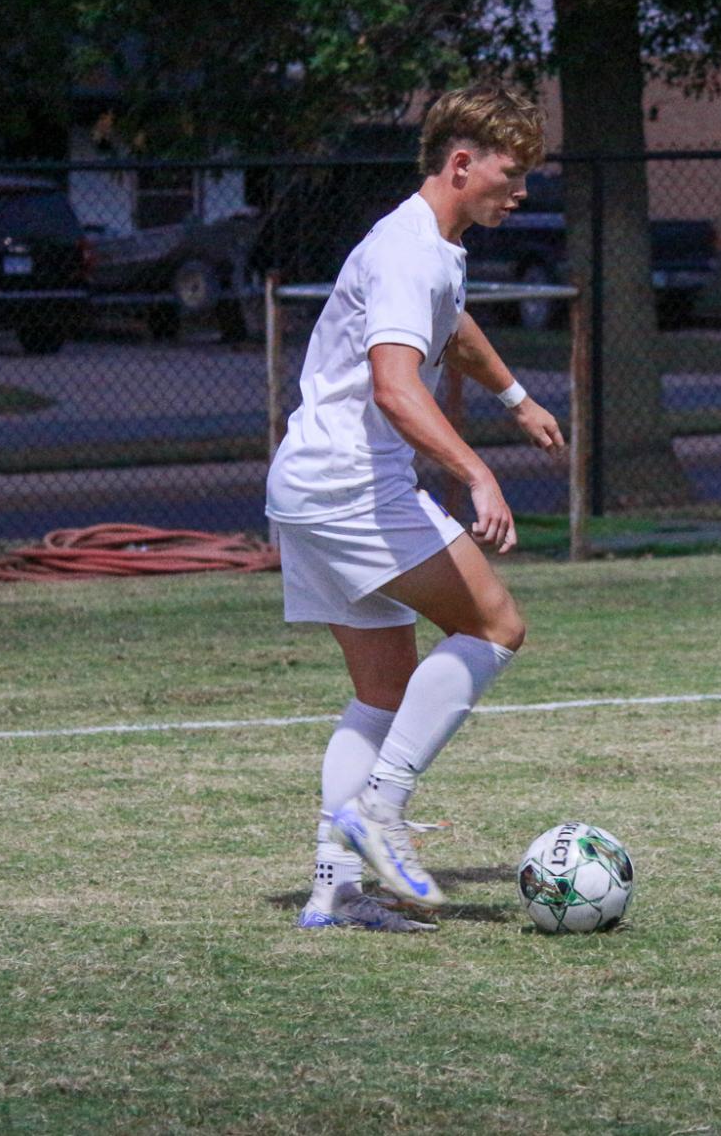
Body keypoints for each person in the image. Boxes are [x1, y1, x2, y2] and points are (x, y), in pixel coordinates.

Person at [266, 83, 565, 932]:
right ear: (461, 162)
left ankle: (334, 890)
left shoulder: (428, 245)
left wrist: (512, 397)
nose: (521, 191)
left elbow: (452, 323)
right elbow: (398, 389)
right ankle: (381, 809)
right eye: (511, 174)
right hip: (349, 485)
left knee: (384, 686)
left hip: (307, 485)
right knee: (495, 625)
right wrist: (478, 473)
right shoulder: (408, 250)